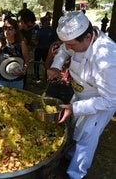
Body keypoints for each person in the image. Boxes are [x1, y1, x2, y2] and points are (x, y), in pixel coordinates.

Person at [47, 11, 116, 178]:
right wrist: (56, 66)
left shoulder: (107, 59)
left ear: (87, 37)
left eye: (71, 45)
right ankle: (69, 157)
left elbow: (111, 100)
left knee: (86, 138)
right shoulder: (75, 41)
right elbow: (63, 50)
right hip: (78, 94)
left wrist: (75, 108)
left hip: (99, 103)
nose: (68, 48)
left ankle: (76, 173)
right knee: (73, 128)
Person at [0, 17, 29, 89]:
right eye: (5, 28)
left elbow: (27, 60)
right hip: (0, 81)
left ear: (15, 30)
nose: (7, 31)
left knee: (17, 100)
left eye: (10, 28)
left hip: (17, 80)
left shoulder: (21, 44)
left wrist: (24, 70)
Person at [33, 16, 56, 83]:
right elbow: (54, 41)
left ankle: (36, 77)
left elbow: (36, 42)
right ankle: (48, 77)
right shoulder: (52, 31)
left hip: (39, 49)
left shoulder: (40, 31)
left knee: (36, 63)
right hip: (48, 50)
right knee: (47, 64)